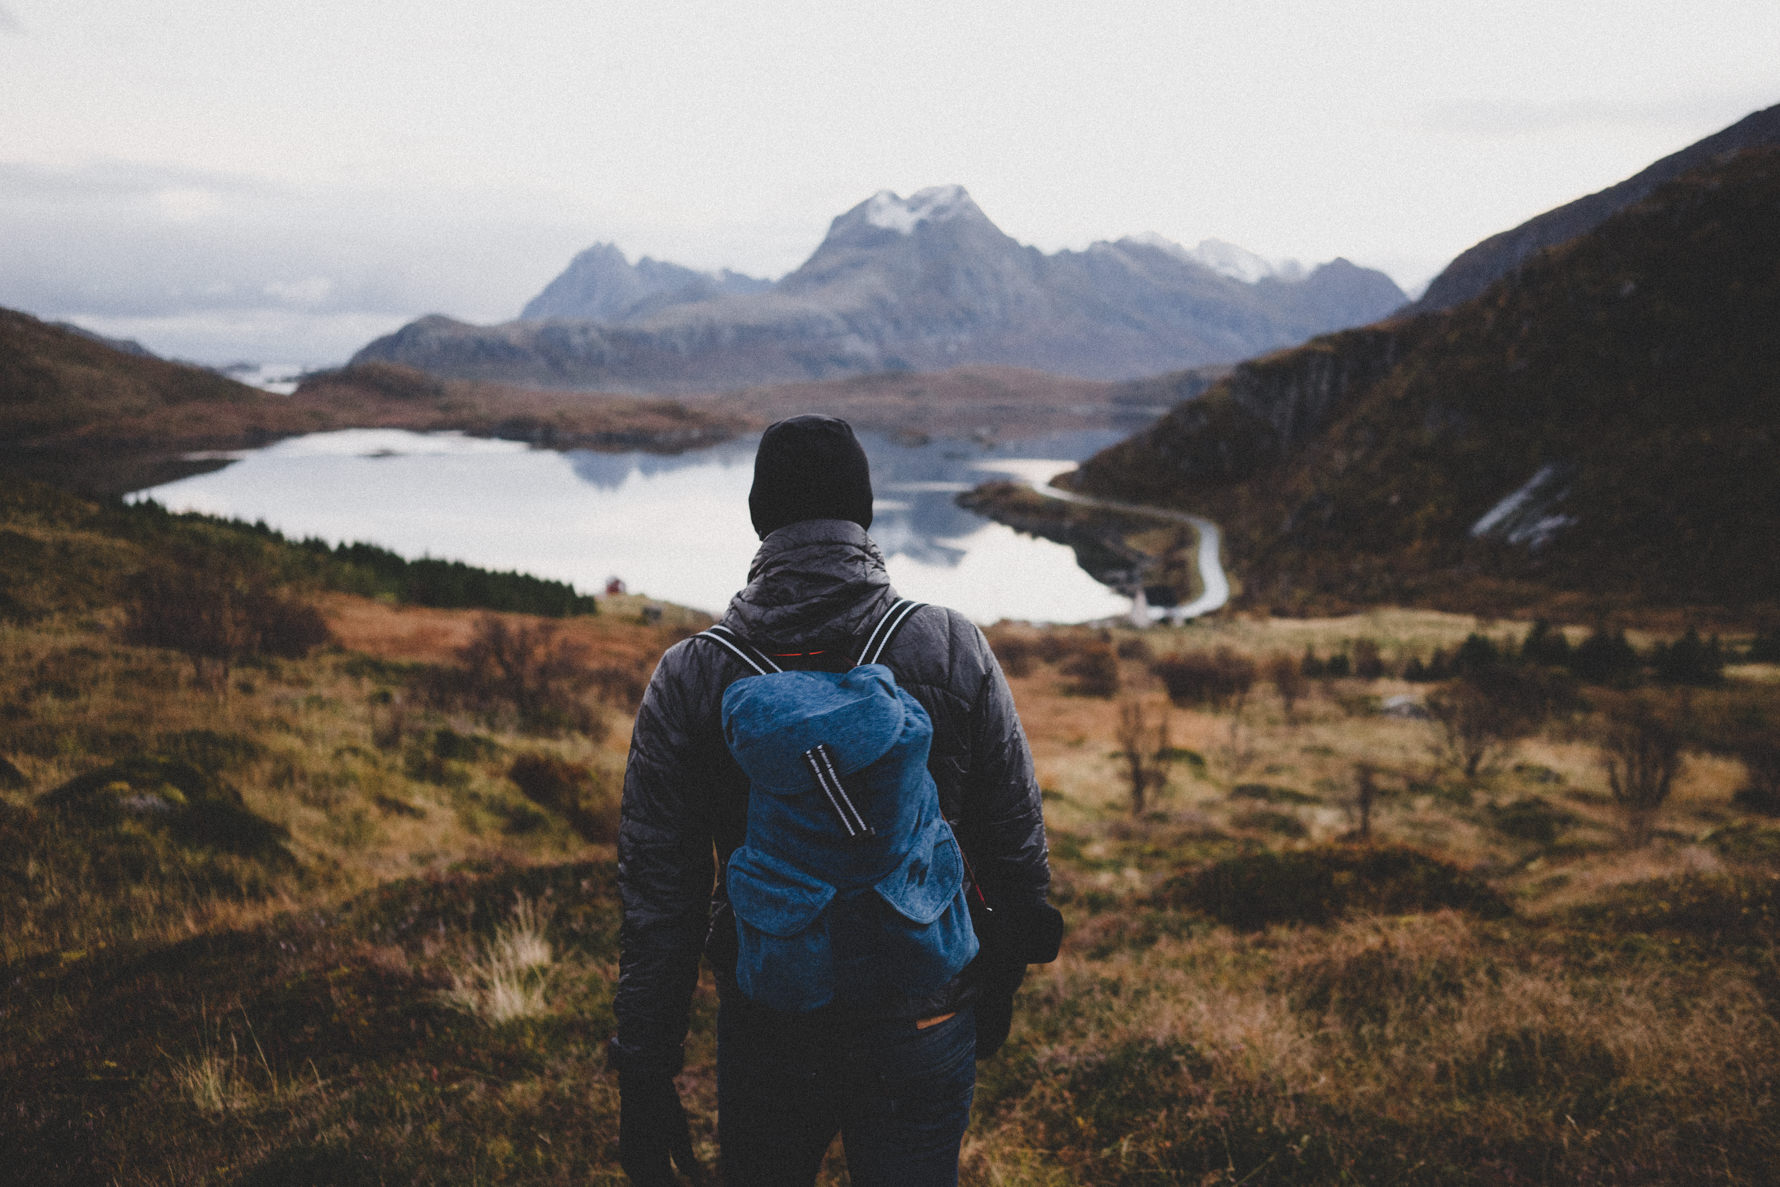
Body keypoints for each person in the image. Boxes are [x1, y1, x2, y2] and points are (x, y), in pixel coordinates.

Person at [611, 414, 1058, 1186]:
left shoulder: (692, 675)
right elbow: (1015, 843)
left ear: (760, 517)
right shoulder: (950, 646)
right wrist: (999, 979)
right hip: (925, 1009)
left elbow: (660, 897)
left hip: (771, 1017)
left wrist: (645, 1068)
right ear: (866, 513)